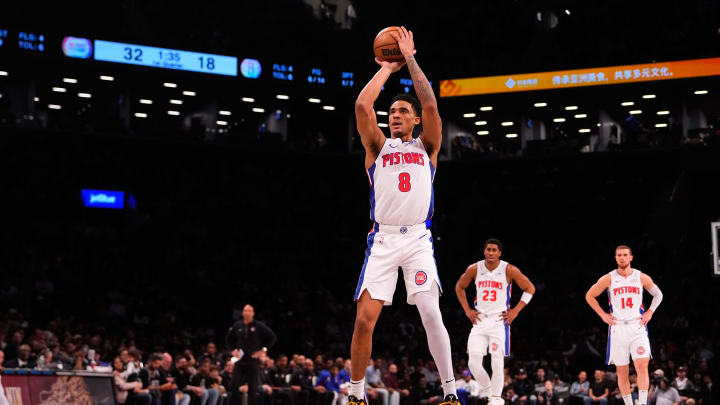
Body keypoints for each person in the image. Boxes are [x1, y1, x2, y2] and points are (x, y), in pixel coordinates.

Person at [348, 25, 458, 405]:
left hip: (417, 240)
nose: (395, 116)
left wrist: (409, 57)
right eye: (392, 111)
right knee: (364, 320)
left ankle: (449, 393)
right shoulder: (378, 146)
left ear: (414, 120)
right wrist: (386, 67)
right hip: (383, 238)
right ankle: (356, 394)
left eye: (402, 112)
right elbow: (363, 107)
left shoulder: (427, 145)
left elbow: (431, 105)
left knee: (430, 312)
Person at [455, 239, 537, 405]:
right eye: (488, 249)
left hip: (499, 321)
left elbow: (530, 288)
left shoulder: (509, 269)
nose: (491, 253)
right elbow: (459, 287)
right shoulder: (475, 268)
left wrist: (516, 310)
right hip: (479, 320)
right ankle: (486, 388)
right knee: (473, 362)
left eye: (494, 250)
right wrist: (467, 310)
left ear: (499, 253)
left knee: (496, 360)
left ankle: (496, 398)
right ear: (484, 251)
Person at [585, 245, 664, 405]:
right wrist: (602, 315)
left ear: (631, 257)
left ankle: (642, 403)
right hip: (618, 327)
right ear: (616, 258)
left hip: (637, 326)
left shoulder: (641, 277)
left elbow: (658, 294)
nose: (622, 257)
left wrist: (650, 312)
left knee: (642, 365)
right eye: (619, 255)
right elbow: (589, 295)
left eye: (625, 255)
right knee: (622, 372)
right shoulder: (608, 278)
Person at [226, 304, 277, 405]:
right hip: (240, 359)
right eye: (245, 310)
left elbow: (272, 337)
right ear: (242, 313)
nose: (247, 312)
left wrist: (263, 350)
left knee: (252, 388)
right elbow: (228, 339)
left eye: (249, 311)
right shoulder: (237, 325)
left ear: (253, 313)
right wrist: (232, 350)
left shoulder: (258, 325)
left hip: (252, 360)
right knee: (234, 385)